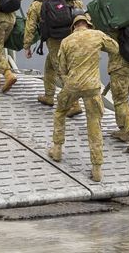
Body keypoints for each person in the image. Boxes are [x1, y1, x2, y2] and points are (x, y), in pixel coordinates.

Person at [47, 12, 119, 183]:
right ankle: (97, 169)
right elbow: (115, 49)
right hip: (92, 88)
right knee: (94, 123)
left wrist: (69, 80)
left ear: (74, 26)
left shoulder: (66, 41)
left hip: (72, 86)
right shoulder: (97, 35)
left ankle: (57, 150)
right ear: (88, 23)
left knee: (60, 112)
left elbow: (62, 69)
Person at [23, 0, 81, 108]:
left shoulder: (37, 4)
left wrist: (27, 46)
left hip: (54, 41)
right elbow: (80, 8)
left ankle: (74, 104)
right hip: (70, 37)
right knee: (50, 67)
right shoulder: (65, 0)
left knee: (61, 71)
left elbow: (30, 26)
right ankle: (49, 96)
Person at [103, 22, 129, 153]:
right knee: (124, 99)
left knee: (120, 101)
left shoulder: (113, 27)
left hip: (120, 67)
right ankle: (123, 131)